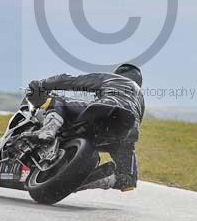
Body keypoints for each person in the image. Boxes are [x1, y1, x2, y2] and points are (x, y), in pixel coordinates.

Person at [25, 63, 144, 192]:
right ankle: (81, 182)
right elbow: (135, 124)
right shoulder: (140, 99)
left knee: (59, 101)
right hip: (125, 130)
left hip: (103, 110)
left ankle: (48, 131)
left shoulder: (113, 78)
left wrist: (42, 85)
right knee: (127, 180)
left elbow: (71, 81)